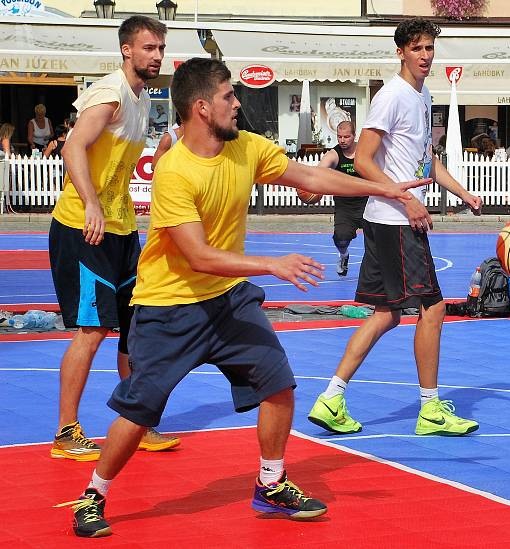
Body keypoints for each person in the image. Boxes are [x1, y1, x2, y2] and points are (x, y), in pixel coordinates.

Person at [56, 56, 426, 539]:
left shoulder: (246, 148)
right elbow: (198, 256)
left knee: (278, 385)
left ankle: (270, 484)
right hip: (170, 305)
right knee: (140, 408)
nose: (237, 104)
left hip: (228, 300)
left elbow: (312, 178)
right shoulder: (174, 173)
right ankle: (94, 495)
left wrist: (386, 189)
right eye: (230, 96)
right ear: (203, 108)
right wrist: (272, 265)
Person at [307, 18, 482, 437]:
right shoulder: (392, 97)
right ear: (401, 51)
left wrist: (463, 192)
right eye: (418, 48)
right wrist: (406, 201)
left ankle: (331, 397)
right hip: (395, 219)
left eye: (429, 48)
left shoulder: (424, 96)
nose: (426, 55)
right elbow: (364, 160)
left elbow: (427, 160)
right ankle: (430, 409)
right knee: (432, 308)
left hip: (385, 219)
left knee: (386, 314)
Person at [48, 16, 179, 463]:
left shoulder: (141, 99)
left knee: (134, 330)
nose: (156, 56)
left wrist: (162, 154)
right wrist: (90, 204)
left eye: (160, 48)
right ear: (127, 50)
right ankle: (66, 431)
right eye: (148, 48)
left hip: (122, 230)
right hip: (83, 228)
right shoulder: (109, 93)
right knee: (93, 329)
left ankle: (135, 423)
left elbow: (127, 166)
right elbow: (72, 147)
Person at [316, 120, 366, 276]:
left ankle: (376, 269)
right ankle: (344, 255)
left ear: (354, 136)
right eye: (339, 137)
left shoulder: (364, 152)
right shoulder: (334, 154)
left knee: (378, 238)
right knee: (341, 238)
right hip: (345, 205)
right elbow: (318, 171)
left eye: (346, 137)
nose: (343, 140)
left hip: (367, 202)